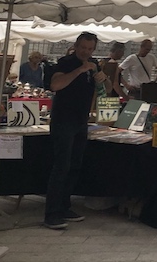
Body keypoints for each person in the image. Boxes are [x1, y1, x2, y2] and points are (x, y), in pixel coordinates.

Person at [45, 32, 108, 229]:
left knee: (75, 165)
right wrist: (80, 70)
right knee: (61, 166)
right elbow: (55, 85)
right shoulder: (66, 62)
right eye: (83, 48)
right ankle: (51, 213)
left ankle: (65, 206)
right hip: (63, 120)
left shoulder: (94, 64)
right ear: (76, 46)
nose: (86, 52)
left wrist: (102, 80)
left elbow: (104, 91)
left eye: (90, 49)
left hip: (82, 120)